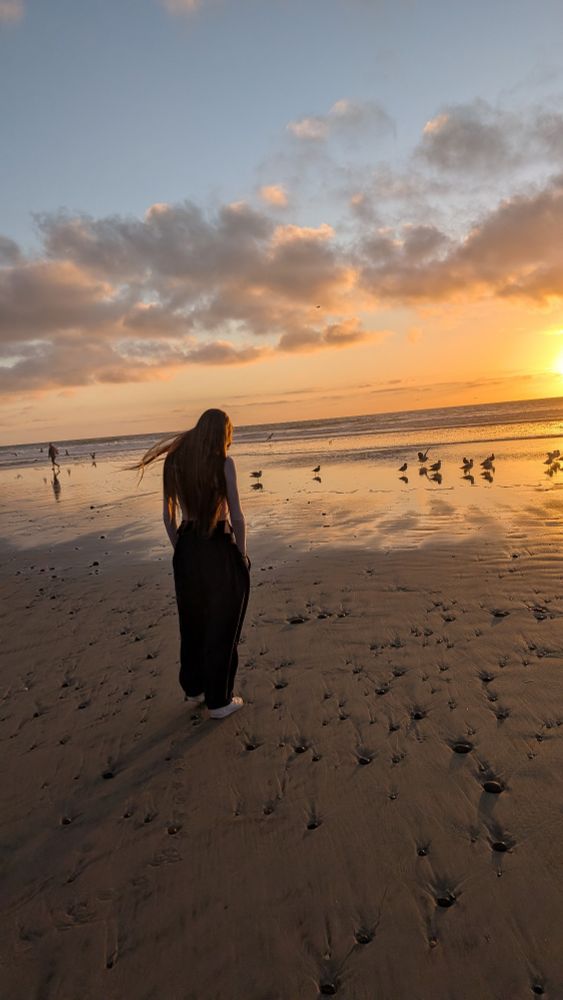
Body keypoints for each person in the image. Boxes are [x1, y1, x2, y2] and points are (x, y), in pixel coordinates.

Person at [134, 409, 250, 719]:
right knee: (222, 623)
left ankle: (195, 688)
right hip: (217, 545)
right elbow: (236, 515)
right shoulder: (224, 464)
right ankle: (218, 700)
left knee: (193, 620)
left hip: (186, 547)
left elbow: (167, 516)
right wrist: (242, 552)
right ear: (222, 434)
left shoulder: (176, 461)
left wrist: (181, 550)